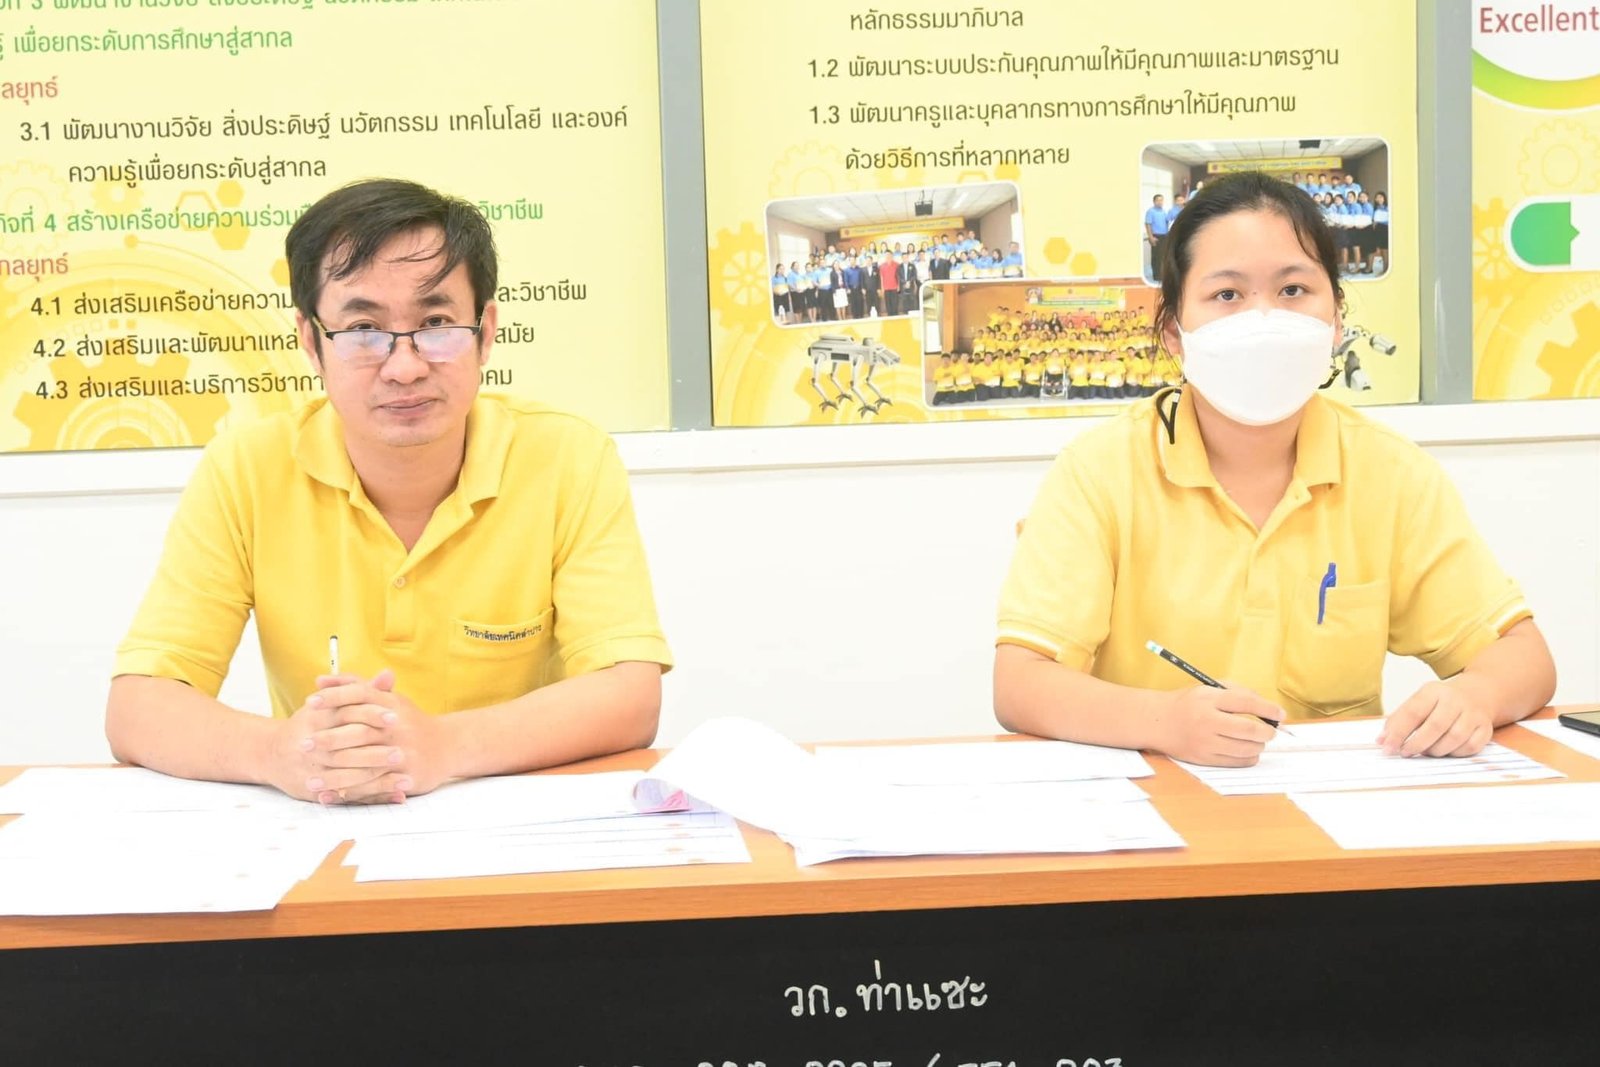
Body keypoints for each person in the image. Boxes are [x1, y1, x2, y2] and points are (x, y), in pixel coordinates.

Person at [106, 179, 673, 804]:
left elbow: (630, 694)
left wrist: (443, 747)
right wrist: (279, 753)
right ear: (311, 341)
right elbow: (138, 707)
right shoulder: (247, 468)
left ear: (485, 331)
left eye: (436, 323)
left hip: (513, 822)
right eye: (363, 328)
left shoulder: (566, 457)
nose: (404, 366)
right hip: (329, 824)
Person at [994, 171, 1554, 767]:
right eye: (1227, 295)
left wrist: (1473, 695)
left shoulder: (1391, 473)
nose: (1263, 318)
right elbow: (1021, 682)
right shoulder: (1099, 473)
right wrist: (1161, 722)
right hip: (1157, 795)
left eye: (1293, 289)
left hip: (1332, 804)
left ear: (1335, 320)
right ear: (1174, 333)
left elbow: (1525, 657)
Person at [1144, 194, 1171, 282]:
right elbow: (1148, 224)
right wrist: (1151, 237)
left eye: (1161, 200)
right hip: (1156, 236)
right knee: (1156, 257)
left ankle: (1162, 275)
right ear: (1154, 201)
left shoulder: (1164, 212)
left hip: (1164, 236)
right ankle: (1156, 276)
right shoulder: (1150, 211)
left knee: (1163, 256)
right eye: (1158, 200)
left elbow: (1167, 223)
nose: (1160, 202)